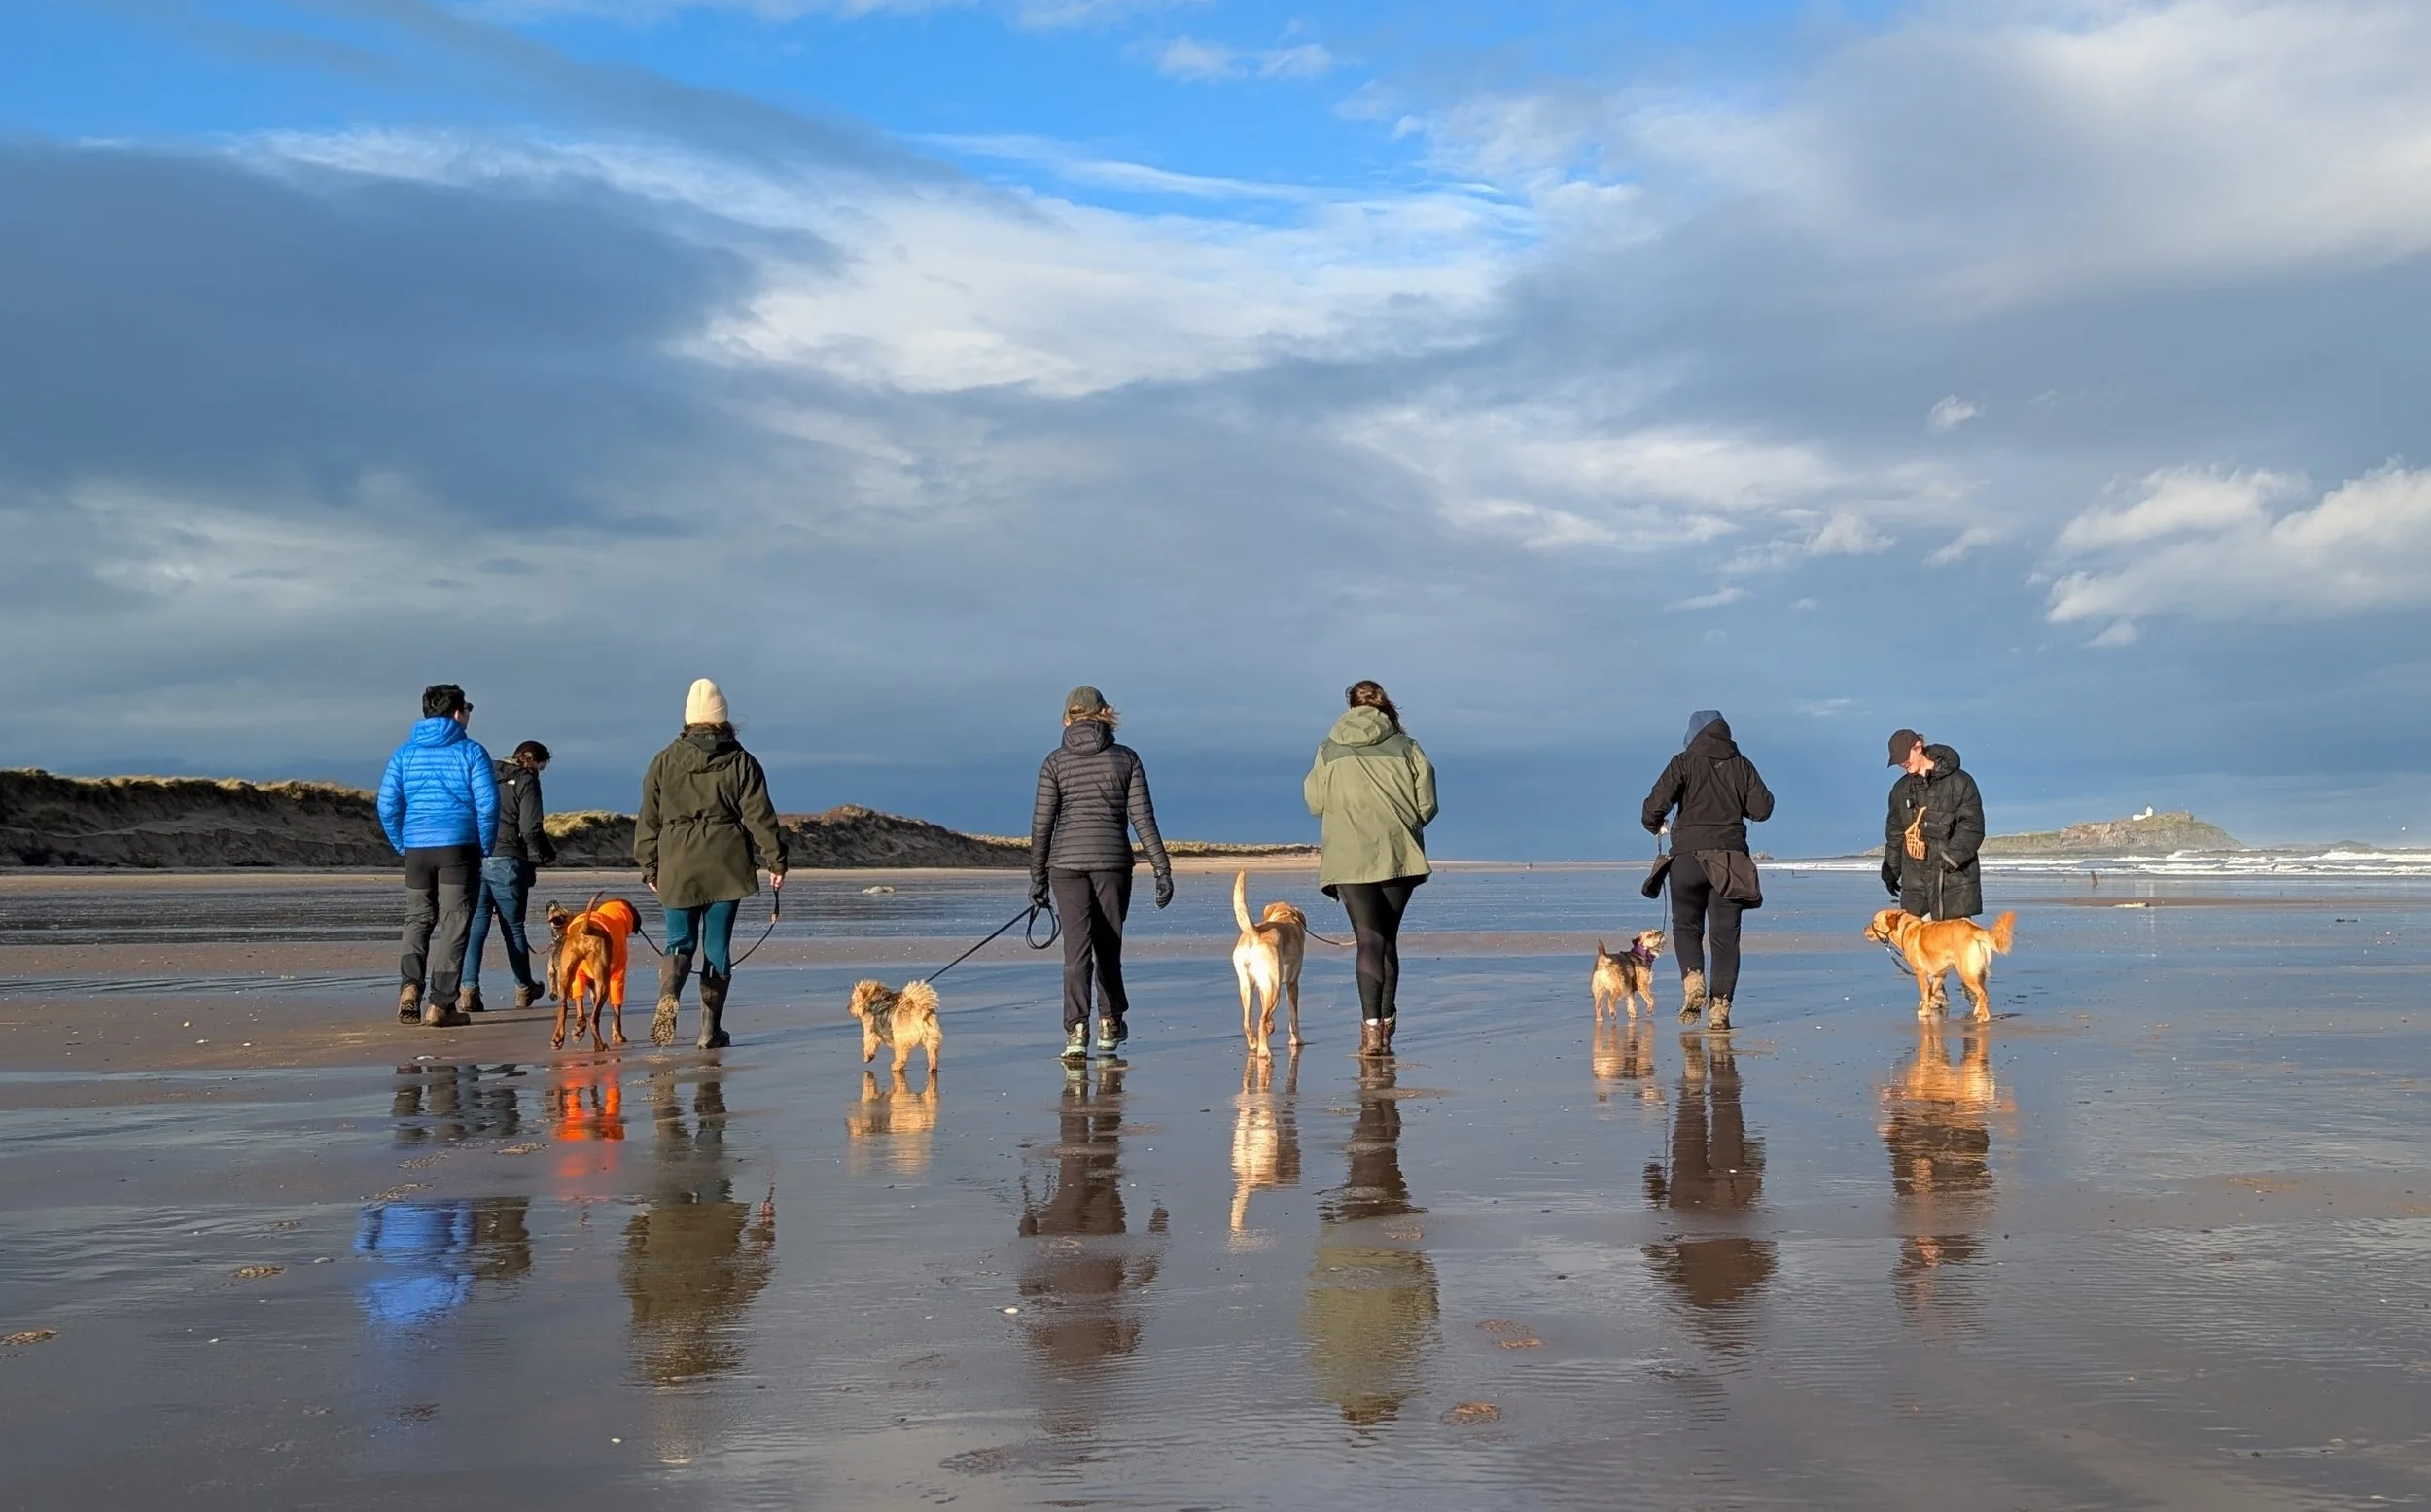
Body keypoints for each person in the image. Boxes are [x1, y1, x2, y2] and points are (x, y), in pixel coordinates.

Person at [636, 679, 788, 1050]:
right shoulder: (741, 761)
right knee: (717, 946)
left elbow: (648, 819)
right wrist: (776, 860)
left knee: (679, 942)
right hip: (726, 861)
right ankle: (709, 1030)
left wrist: (649, 866)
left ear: (689, 718)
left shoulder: (664, 760)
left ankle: (670, 991)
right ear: (723, 718)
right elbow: (759, 816)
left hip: (677, 860)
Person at [1030, 686, 1173, 1063]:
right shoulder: (1126, 759)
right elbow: (1143, 818)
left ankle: (1077, 1030)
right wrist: (1162, 868)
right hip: (1112, 863)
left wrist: (1037, 881)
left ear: (1067, 718)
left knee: (1076, 952)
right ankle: (1110, 1023)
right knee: (1108, 947)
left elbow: (1042, 826)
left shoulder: (1054, 762)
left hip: (1066, 865)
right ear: (1105, 715)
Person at [1304, 681, 1437, 1059]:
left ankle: (1371, 1030)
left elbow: (1315, 803)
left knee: (1368, 943)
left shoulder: (1328, 750)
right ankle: (1385, 1023)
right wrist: (1403, 823)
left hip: (1347, 859)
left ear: (1350, 707)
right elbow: (1427, 804)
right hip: (1398, 855)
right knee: (1387, 941)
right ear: (1385, 707)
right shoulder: (1407, 747)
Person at [1640, 709, 1774, 1031]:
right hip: (1728, 860)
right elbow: (1762, 808)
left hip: (1687, 859)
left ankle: (1693, 980)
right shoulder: (1741, 765)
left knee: (1687, 927)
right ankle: (1719, 1009)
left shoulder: (1683, 762)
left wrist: (1657, 824)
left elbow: (1652, 808)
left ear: (1693, 735)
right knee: (1725, 939)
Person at [377, 683, 499, 1029]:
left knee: (417, 919)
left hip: (417, 847)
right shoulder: (471, 752)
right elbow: (488, 805)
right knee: (454, 923)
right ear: (458, 713)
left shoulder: (404, 753)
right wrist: (485, 846)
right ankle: (441, 1005)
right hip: (458, 847)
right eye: (468, 710)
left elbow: (387, 804)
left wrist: (402, 842)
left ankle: (409, 989)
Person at [462, 739, 556, 1013]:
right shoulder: (527, 780)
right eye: (543, 766)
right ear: (536, 762)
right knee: (512, 926)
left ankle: (468, 989)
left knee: (477, 925)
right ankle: (524, 988)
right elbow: (530, 829)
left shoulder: (484, 773)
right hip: (507, 857)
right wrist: (546, 854)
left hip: (476, 854)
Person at [1882, 729, 1987, 923]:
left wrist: (1952, 858)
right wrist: (1891, 870)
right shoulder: (1900, 790)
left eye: (1905, 757)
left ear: (1918, 747)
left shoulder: (1960, 782)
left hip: (1953, 880)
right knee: (1915, 950)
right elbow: (1896, 833)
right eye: (1899, 761)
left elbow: (1972, 826)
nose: (1903, 763)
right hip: (1916, 882)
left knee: (1954, 950)